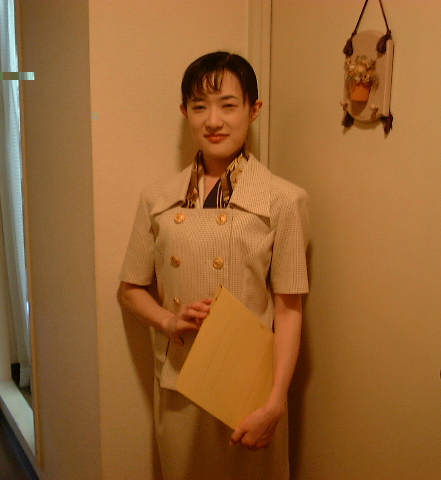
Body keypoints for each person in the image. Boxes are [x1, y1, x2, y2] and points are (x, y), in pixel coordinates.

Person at [119, 51, 309, 480]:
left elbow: (289, 310)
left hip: (250, 387)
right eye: (200, 106)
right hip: (179, 380)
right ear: (184, 112)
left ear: (253, 110)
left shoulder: (283, 199)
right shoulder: (158, 198)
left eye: (228, 105)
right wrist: (169, 321)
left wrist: (275, 402)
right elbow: (130, 289)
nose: (214, 120)